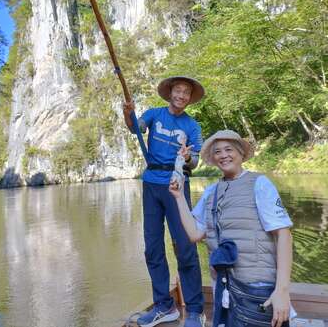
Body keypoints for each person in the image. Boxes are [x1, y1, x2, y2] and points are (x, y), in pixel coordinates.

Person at [169, 129, 293, 327]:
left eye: (229, 149)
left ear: (240, 153)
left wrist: (282, 290)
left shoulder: (259, 184)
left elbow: (284, 235)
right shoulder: (211, 192)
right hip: (224, 289)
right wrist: (178, 197)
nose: (223, 155)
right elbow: (195, 234)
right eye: (217, 152)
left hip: (258, 287)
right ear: (213, 158)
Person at [123, 76, 205, 327]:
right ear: (170, 93)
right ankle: (163, 305)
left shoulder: (192, 126)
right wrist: (127, 114)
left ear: (190, 99)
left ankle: (194, 309)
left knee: (185, 246)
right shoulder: (154, 114)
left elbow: (195, 162)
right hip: (151, 184)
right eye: (178, 91)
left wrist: (188, 156)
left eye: (186, 93)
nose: (181, 95)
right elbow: (135, 127)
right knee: (153, 247)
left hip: (177, 184)